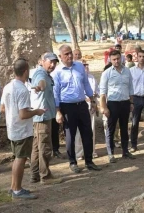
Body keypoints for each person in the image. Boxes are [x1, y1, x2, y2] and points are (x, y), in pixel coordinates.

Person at [1, 58, 45, 199]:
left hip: (12, 128)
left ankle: (14, 187)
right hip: (22, 130)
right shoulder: (22, 90)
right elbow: (23, 114)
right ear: (26, 71)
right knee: (21, 158)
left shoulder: (8, 87)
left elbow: (2, 108)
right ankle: (17, 189)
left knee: (17, 158)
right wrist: (36, 111)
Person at [52, 45, 101, 173]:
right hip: (67, 106)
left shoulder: (79, 66)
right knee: (70, 135)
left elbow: (85, 84)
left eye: (70, 53)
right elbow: (55, 93)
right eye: (66, 54)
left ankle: (89, 161)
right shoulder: (57, 72)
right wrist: (57, 111)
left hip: (82, 104)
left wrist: (92, 99)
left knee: (87, 133)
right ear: (60, 56)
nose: (69, 56)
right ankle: (73, 162)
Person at [30, 52, 62, 185]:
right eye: (50, 62)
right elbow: (41, 83)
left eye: (55, 62)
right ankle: (45, 176)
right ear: (43, 61)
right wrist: (39, 87)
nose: (53, 65)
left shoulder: (46, 74)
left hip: (43, 116)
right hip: (42, 117)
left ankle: (35, 174)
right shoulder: (41, 74)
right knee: (45, 147)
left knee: (37, 147)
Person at [100, 50, 135, 163]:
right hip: (113, 104)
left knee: (124, 128)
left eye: (118, 58)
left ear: (121, 58)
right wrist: (104, 107)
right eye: (114, 59)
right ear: (110, 59)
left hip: (125, 103)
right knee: (111, 129)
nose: (116, 61)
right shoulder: (107, 73)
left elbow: (130, 88)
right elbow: (102, 92)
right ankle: (111, 154)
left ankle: (125, 151)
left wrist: (131, 103)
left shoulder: (127, 71)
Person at [76, 60, 99, 159]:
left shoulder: (92, 78)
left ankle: (91, 151)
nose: (86, 67)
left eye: (86, 65)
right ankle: (79, 153)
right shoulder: (76, 77)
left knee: (91, 129)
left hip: (91, 106)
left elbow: (97, 91)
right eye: (83, 65)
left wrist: (94, 100)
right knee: (78, 131)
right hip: (80, 106)